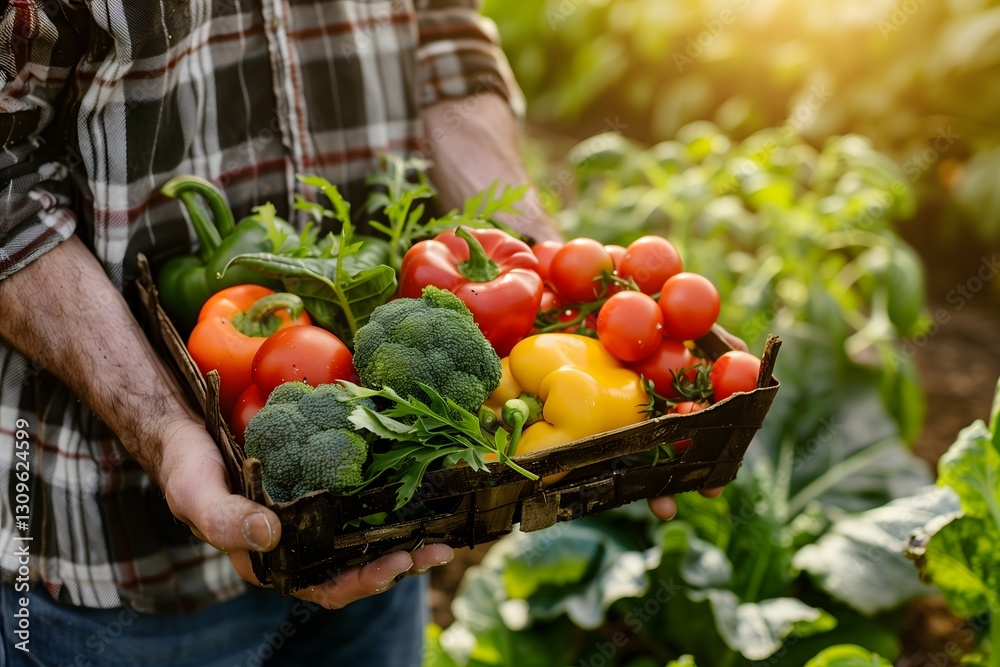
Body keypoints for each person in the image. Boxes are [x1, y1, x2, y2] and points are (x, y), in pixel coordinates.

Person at [0, 2, 713, 665]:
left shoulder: (411, 353)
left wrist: (541, 263)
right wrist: (163, 427)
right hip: (118, 562)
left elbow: (445, 36)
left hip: (393, 514)